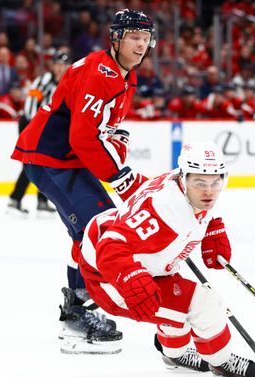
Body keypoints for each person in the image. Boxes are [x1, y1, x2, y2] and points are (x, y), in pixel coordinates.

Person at [10, 9, 156, 355]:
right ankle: (76, 315)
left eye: (146, 38)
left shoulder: (126, 75)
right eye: (134, 37)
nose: (141, 45)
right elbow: (83, 138)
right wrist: (119, 177)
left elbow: (104, 129)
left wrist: (118, 153)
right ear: (116, 38)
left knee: (100, 227)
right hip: (49, 157)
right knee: (97, 229)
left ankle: (78, 308)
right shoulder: (100, 72)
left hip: (67, 159)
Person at [77, 142, 255, 377]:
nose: (209, 191)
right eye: (200, 183)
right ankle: (221, 363)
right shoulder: (165, 210)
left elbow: (204, 202)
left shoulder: (182, 184)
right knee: (205, 305)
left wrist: (213, 227)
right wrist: (131, 279)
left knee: (178, 311)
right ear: (184, 177)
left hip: (149, 263)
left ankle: (174, 356)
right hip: (110, 278)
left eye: (215, 182)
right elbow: (111, 246)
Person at [6, 51, 71, 216]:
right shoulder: (44, 80)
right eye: (58, 64)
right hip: (31, 123)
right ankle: (16, 200)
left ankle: (40, 201)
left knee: (45, 162)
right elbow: (31, 103)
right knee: (31, 162)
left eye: (64, 64)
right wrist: (36, 126)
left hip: (45, 126)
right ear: (53, 65)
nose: (61, 67)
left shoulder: (68, 82)